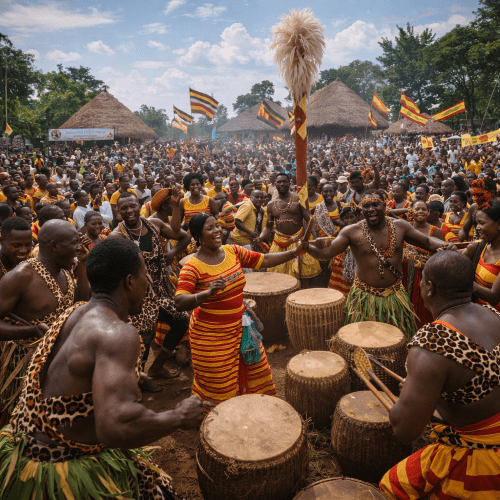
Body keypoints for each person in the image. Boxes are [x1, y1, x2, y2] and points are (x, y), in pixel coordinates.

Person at [0, 238, 205, 499]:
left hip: (24, 447)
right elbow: (116, 426)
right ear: (130, 282)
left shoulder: (76, 312)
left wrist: (131, 375)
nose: (148, 284)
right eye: (144, 277)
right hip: (59, 470)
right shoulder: (117, 334)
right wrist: (179, 417)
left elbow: (72, 372)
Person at [380, 251, 500, 499]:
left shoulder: (432, 346)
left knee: (391, 487)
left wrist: (402, 401)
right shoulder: (494, 315)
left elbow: (405, 431)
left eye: (422, 281)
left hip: (482, 458)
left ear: (429, 287)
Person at [175, 213, 307, 408]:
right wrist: (208, 292)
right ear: (198, 237)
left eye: (217, 226)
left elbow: (264, 259)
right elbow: (180, 301)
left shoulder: (232, 251)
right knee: (220, 385)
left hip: (241, 328)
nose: (217, 230)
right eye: (209, 228)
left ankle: (252, 413)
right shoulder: (192, 267)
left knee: (257, 370)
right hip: (211, 337)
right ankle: (221, 425)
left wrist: (295, 252)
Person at [305, 190, 449, 340]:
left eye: (375, 204)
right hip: (364, 298)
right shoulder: (351, 232)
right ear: (362, 209)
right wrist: (307, 248)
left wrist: (445, 245)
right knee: (363, 342)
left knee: (398, 341)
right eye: (366, 206)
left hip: (395, 296)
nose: (371, 209)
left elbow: (427, 242)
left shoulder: (400, 226)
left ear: (385, 205)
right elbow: (327, 253)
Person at [0, 220, 90, 425]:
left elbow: (82, 303)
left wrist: (83, 264)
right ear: (55, 247)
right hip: (23, 366)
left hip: (57, 359)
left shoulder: (66, 270)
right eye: (74, 243)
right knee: (22, 423)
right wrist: (30, 331)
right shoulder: (21, 277)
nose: (80, 248)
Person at [108, 191, 190, 381]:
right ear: (118, 212)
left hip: (161, 292)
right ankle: (136, 380)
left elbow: (181, 235)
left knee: (181, 320)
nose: (129, 211)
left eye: (132, 206)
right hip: (138, 297)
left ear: (140, 206)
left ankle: (157, 367)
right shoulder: (116, 237)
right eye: (124, 208)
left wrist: (173, 253)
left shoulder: (155, 224)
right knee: (143, 338)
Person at [257, 173, 320, 287]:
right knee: (278, 277)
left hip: (298, 241)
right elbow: (268, 227)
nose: (282, 184)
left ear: (290, 183)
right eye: (279, 182)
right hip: (279, 243)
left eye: (284, 181)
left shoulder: (298, 199)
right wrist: (260, 237)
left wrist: (314, 236)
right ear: (275, 184)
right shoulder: (271, 205)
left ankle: (303, 302)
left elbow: (308, 219)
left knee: (304, 277)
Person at [404, 200, 444, 327]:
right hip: (405, 275)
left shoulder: (435, 231)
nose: (420, 212)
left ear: (428, 212)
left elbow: (443, 255)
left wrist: (432, 261)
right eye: (417, 209)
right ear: (411, 211)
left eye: (424, 209)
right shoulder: (404, 228)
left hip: (426, 277)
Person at [463, 199, 500, 312]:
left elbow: (494, 297)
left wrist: (462, 280)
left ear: (498, 224)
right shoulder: (478, 247)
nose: (477, 228)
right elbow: (456, 263)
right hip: (479, 314)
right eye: (476, 223)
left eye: (482, 223)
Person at [328, 206, 360, 295]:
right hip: (341, 264)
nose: (349, 220)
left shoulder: (362, 230)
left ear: (357, 217)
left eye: (351, 217)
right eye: (346, 218)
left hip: (357, 266)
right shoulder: (341, 232)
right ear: (342, 220)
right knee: (339, 292)